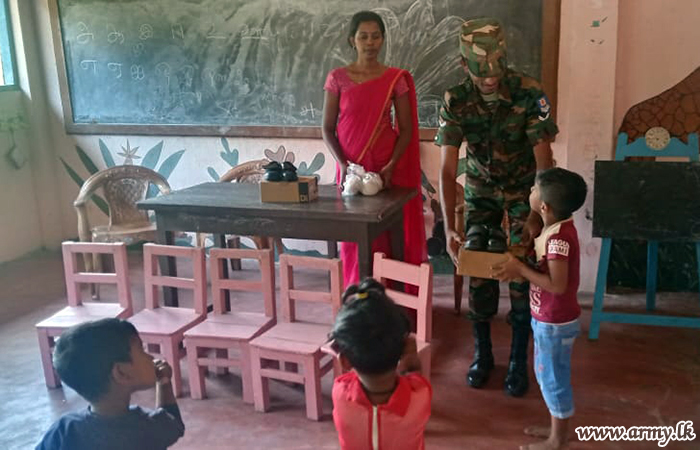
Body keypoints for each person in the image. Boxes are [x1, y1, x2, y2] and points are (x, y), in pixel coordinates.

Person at [435, 17, 558, 396]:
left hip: (524, 194)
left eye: (496, 69)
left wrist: (536, 215)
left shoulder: (529, 93)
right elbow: (447, 170)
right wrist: (448, 228)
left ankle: (519, 359)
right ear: (463, 64)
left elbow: (544, 162)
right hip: (481, 196)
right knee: (480, 268)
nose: (490, 78)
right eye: (480, 71)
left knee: (520, 272)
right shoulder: (456, 99)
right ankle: (483, 354)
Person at [322, 10, 426, 287]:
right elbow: (327, 129)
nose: (370, 43)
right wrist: (343, 164)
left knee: (388, 235)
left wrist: (391, 166)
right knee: (353, 237)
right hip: (350, 169)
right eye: (363, 36)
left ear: (383, 39)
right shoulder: (337, 78)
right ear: (352, 40)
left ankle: (391, 298)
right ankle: (357, 295)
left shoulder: (395, 79)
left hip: (385, 168)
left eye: (376, 36)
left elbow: (406, 129)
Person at [492, 168, 587, 450]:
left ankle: (557, 440)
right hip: (547, 318)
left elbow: (557, 285)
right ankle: (556, 428)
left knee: (553, 379)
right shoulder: (554, 229)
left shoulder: (558, 240)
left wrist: (520, 269)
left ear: (543, 207)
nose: (530, 192)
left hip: (554, 322)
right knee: (547, 376)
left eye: (534, 190)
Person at [35, 318, 185, 450]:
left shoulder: (64, 430)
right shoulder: (150, 427)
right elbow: (174, 422)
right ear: (121, 372)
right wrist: (164, 382)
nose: (150, 357)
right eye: (142, 350)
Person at [330, 278, 432, 450]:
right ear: (404, 348)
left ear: (344, 361)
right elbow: (414, 373)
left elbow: (349, 376)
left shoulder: (340, 393)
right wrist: (411, 354)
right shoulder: (419, 395)